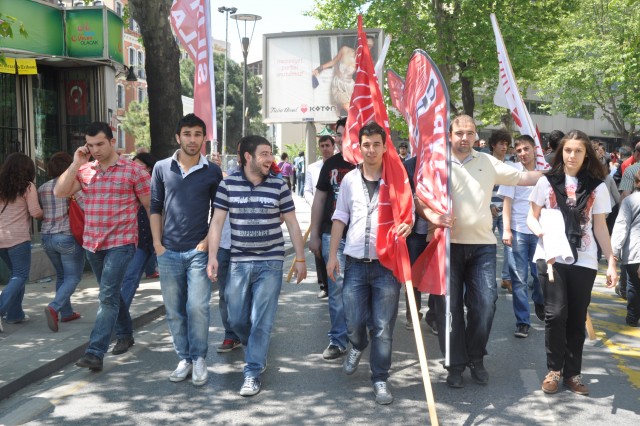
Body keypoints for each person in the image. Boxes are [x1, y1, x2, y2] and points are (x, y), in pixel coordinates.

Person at [418, 115, 543, 388]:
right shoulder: (436, 163)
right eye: (459, 133)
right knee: (448, 309)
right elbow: (419, 197)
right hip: (447, 246)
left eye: (470, 133)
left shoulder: (487, 161)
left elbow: (524, 177)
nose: (465, 137)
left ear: (476, 136)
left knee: (485, 304)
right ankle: (454, 363)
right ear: (449, 135)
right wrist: (432, 216)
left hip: (483, 247)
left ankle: (476, 357)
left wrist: (562, 174)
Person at [207, 135, 307, 397]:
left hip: (271, 261)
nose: (270, 159)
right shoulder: (227, 185)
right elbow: (217, 223)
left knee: (261, 319)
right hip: (239, 261)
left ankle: (252, 372)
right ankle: (253, 346)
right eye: (264, 154)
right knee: (236, 318)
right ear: (247, 156)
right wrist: (212, 256)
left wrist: (300, 258)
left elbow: (293, 223)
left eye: (271, 153)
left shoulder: (278, 185)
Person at [327, 121, 412, 405]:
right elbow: (340, 216)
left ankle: (380, 379)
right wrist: (331, 256)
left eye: (377, 144)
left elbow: (408, 212)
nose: (372, 150)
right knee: (353, 321)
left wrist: (408, 225)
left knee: (383, 326)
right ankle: (357, 344)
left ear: (384, 146)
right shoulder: (349, 179)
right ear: (359, 147)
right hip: (353, 262)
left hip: (386, 265)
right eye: (366, 145)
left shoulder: (397, 180)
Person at [54, 122, 150, 371]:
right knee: (113, 293)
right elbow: (59, 192)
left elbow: (151, 207)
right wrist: (76, 162)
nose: (95, 150)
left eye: (100, 144)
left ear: (112, 140)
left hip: (122, 242)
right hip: (92, 244)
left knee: (106, 296)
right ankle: (126, 333)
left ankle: (95, 352)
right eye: (91, 145)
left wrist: (160, 242)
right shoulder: (85, 171)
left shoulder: (133, 171)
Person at [527, 130, 617, 396]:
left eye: (578, 150)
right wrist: (541, 232)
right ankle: (554, 370)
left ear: (586, 154)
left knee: (577, 317)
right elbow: (531, 217)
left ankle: (572, 373)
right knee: (555, 314)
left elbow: (600, 226)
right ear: (561, 152)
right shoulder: (547, 181)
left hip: (585, 259)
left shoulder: (597, 186)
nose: (572, 155)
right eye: (568, 150)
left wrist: (611, 261)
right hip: (551, 255)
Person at [149, 114, 222, 387]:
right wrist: (157, 245)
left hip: (198, 251)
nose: (193, 139)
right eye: (188, 134)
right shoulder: (161, 168)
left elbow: (219, 212)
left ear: (204, 138)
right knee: (174, 310)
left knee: (197, 307)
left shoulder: (212, 171)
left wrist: (207, 240)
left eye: (198, 134)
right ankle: (184, 358)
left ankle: (200, 358)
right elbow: (155, 207)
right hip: (167, 251)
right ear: (178, 137)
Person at [309, 117, 354, 359]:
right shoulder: (330, 165)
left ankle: (358, 335)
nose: (340, 137)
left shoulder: (369, 161)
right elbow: (319, 200)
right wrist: (314, 234)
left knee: (360, 290)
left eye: (346, 132)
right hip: (332, 236)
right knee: (336, 290)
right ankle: (338, 339)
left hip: (364, 238)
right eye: (338, 133)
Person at [108, 153, 157, 354]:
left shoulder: (159, 186)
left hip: (160, 240)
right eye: (133, 166)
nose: (135, 171)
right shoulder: (125, 185)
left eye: (141, 167)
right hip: (135, 241)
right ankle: (120, 327)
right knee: (129, 280)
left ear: (150, 169)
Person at [498, 135, 545, 338]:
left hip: (540, 232)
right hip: (517, 230)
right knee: (519, 279)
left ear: (534, 149)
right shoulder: (513, 172)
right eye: (518, 151)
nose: (523, 154)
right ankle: (522, 321)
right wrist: (506, 229)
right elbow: (507, 202)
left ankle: (541, 303)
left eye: (526, 149)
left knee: (540, 276)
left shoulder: (545, 173)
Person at [38, 152, 85, 332]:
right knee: (73, 277)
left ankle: (66, 313)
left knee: (61, 276)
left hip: (47, 237)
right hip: (67, 236)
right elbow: (84, 206)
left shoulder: (42, 188)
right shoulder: (73, 187)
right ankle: (54, 307)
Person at [0, 153, 43, 332]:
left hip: (1, 238)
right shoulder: (27, 187)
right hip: (18, 239)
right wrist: (45, 213)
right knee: (20, 275)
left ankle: (15, 314)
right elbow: (35, 213)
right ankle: (3, 307)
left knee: (15, 276)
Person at [403, 154, 437, 334]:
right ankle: (413, 313)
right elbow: (403, 196)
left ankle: (434, 316)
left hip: (437, 230)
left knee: (436, 275)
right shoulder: (409, 165)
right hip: (414, 231)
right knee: (413, 276)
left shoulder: (443, 163)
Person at [305, 135, 336, 299]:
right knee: (319, 249)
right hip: (318, 212)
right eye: (322, 146)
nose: (325, 148)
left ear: (333, 146)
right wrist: (315, 204)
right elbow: (307, 191)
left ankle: (335, 284)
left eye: (327, 145)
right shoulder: (313, 168)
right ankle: (324, 285)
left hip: (335, 213)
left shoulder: (340, 164)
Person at [611, 168, 640, 327]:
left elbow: (622, 226)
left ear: (636, 183)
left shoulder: (630, 201)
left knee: (634, 285)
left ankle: (633, 317)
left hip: (634, 250)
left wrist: (614, 252)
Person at [488, 128, 516, 293]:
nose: (504, 147)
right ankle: (489, 280)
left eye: (506, 144)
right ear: (493, 145)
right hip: (490, 210)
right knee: (488, 247)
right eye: (501, 144)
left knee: (510, 245)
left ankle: (507, 278)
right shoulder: (486, 163)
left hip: (506, 210)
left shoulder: (511, 165)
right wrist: (488, 205)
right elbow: (481, 187)